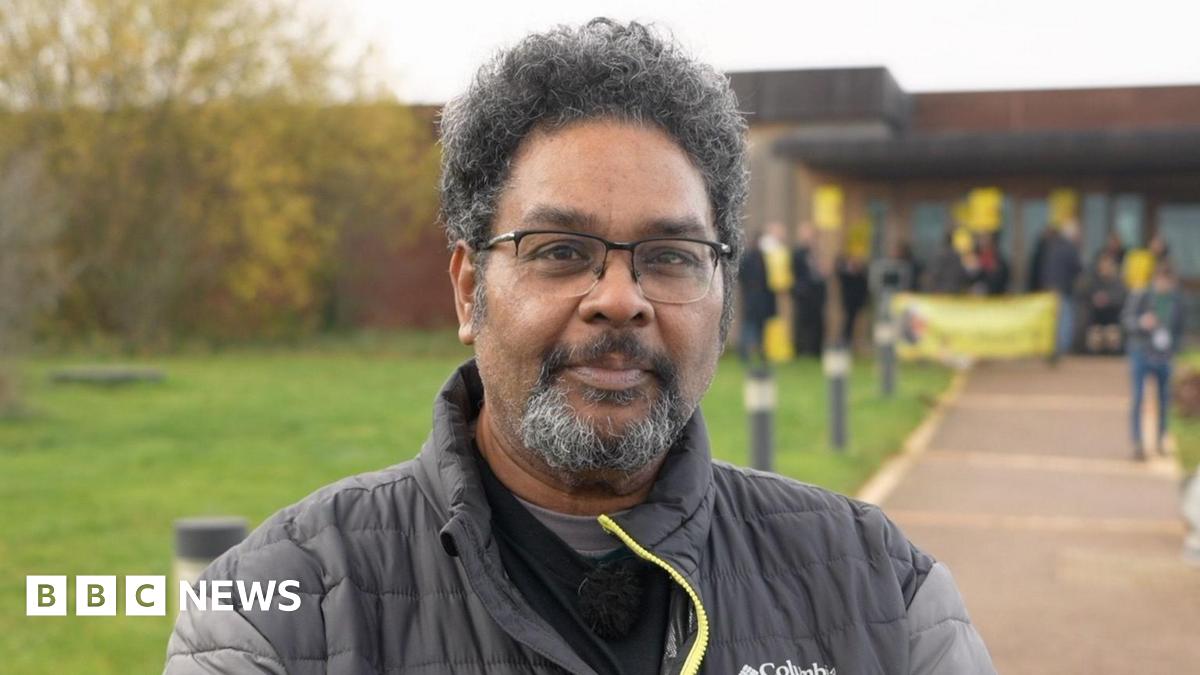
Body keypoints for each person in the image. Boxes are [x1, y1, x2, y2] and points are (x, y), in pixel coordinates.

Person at [164, 19, 995, 675]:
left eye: (669, 256)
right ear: (468, 289)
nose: (620, 299)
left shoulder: (881, 591)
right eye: (561, 250)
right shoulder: (276, 613)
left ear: (723, 297)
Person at [1122, 262, 1185, 460]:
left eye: (1167, 280)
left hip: (1164, 355)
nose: (1163, 284)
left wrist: (1175, 351)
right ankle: (1138, 443)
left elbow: (1179, 331)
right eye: (1160, 279)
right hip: (1142, 351)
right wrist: (1142, 322)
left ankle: (1161, 439)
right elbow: (1126, 320)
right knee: (1139, 397)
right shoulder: (1141, 296)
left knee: (1164, 399)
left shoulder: (1176, 300)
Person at [1038, 221, 1084, 357]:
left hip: (1050, 289)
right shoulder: (1070, 248)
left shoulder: (1053, 246)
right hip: (1063, 289)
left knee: (1052, 320)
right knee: (1065, 320)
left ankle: (1050, 348)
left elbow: (1045, 268)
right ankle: (1061, 350)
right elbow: (1078, 268)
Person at [737, 229, 776, 368]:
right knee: (749, 325)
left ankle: (761, 352)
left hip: (763, 298)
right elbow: (741, 274)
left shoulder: (765, 258)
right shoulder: (748, 257)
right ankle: (744, 353)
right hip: (752, 296)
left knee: (761, 327)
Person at [1078, 254, 1127, 354]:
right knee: (1095, 338)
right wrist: (1094, 299)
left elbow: (1122, 298)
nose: (1106, 268)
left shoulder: (1118, 282)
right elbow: (1083, 296)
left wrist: (1108, 299)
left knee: (1113, 337)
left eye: (1108, 265)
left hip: (1113, 321)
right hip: (1094, 322)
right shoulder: (1092, 281)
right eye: (1103, 265)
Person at [790, 222, 827, 356]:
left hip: (817, 293)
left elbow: (824, 271)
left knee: (817, 322)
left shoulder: (818, 252)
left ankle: (815, 350)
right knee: (802, 322)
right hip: (803, 293)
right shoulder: (798, 253)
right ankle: (801, 350)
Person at [836, 253, 870, 349]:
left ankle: (857, 343)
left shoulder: (861, 275)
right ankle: (845, 341)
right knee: (848, 322)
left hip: (858, 303)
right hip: (849, 303)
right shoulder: (846, 274)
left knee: (857, 323)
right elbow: (839, 268)